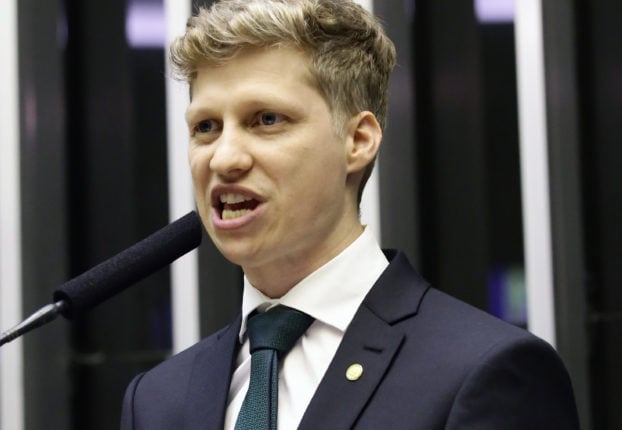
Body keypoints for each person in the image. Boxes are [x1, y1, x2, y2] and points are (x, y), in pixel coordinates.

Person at [122, 0, 579, 428]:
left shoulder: (484, 370)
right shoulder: (157, 400)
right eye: (206, 127)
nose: (223, 159)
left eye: (266, 120)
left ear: (358, 141)